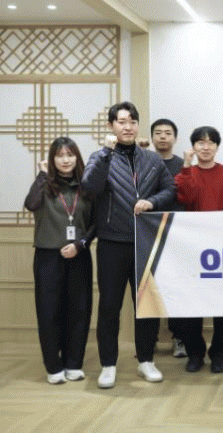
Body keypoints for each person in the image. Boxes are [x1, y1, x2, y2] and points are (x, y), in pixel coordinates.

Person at [82, 101, 175, 389]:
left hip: (145, 241)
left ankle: (146, 360)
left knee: (145, 305)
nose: (128, 127)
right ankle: (108, 365)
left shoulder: (152, 159)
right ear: (111, 125)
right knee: (109, 306)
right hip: (111, 242)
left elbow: (170, 189)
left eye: (132, 122)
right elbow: (90, 187)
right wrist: (106, 153)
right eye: (122, 122)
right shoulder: (100, 157)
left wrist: (152, 202)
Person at [25, 137, 95, 384]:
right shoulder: (44, 184)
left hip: (79, 255)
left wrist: (80, 244)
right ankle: (53, 367)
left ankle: (73, 364)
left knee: (79, 310)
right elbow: (30, 204)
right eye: (60, 156)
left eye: (70, 155)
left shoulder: (87, 186)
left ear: (77, 158)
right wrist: (42, 176)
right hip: (48, 257)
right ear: (52, 160)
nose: (66, 160)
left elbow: (96, 222)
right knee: (49, 311)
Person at [174, 126, 223, 374]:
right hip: (190, 249)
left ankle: (219, 354)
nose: (205, 147)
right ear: (193, 147)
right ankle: (195, 353)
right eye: (200, 143)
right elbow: (186, 198)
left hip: (221, 250)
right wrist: (186, 167)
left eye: (210, 142)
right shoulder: (185, 173)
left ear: (217, 147)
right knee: (190, 305)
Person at [150, 118, 187, 359]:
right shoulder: (144, 162)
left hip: (178, 234)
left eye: (168, 133)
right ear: (152, 137)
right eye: (158, 132)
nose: (163, 136)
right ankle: (149, 339)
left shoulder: (183, 165)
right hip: (149, 233)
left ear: (175, 138)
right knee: (149, 289)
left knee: (177, 288)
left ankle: (180, 338)